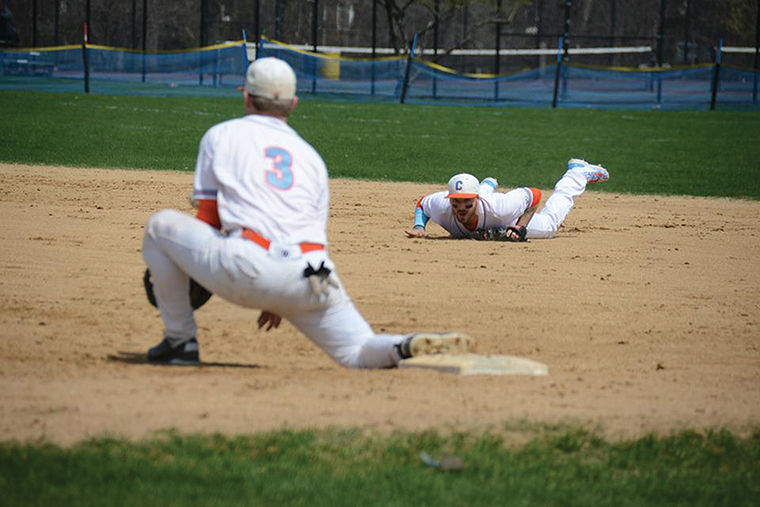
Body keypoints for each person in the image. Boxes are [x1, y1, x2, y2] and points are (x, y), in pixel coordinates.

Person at [141, 57, 474, 368]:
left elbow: (210, 220)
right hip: (313, 274)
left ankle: (180, 340)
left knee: (159, 226)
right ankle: (402, 345)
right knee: (356, 351)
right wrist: (278, 296)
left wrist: (195, 273)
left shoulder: (222, 135)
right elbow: (310, 231)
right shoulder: (311, 157)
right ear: (293, 104)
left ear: (246, 97)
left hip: (247, 265)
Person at [404, 159, 609, 241]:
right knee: (483, 198)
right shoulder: (441, 205)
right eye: (456, 201)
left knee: (549, 226)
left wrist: (520, 226)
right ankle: (488, 184)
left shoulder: (502, 208)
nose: (461, 207)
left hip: (506, 219)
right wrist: (420, 226)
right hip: (485, 200)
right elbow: (423, 203)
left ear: (474, 198)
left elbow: (535, 194)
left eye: (467, 201)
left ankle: (577, 173)